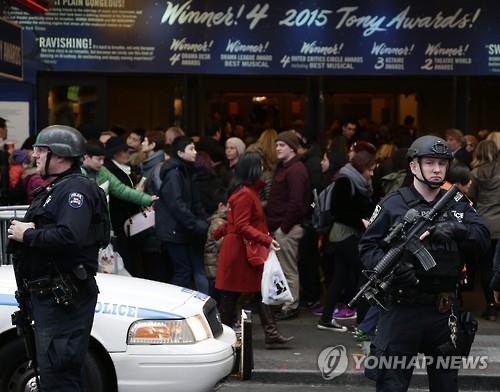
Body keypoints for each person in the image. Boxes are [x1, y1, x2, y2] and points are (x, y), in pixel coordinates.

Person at [359, 135, 490, 392]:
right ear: (413, 166)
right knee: (392, 384)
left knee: (445, 384)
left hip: (443, 310)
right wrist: (394, 271)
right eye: (429, 163)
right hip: (402, 309)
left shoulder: (458, 204)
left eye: (442, 164)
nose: (437, 169)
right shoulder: (393, 204)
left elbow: (483, 238)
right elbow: (368, 248)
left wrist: (456, 229)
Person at [7, 125, 109, 391]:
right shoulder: (57, 189)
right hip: (50, 297)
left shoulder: (76, 191)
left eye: (41, 150)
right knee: (51, 375)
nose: (34, 156)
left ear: (60, 156)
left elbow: (70, 236)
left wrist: (28, 235)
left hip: (63, 297)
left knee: (59, 378)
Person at [214, 151, 293, 348]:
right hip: (240, 252)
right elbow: (242, 225)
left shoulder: (245, 192)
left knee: (253, 291)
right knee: (236, 294)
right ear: (253, 170)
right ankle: (229, 335)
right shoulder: (246, 195)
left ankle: (267, 333)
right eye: (260, 166)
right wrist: (266, 240)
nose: (263, 170)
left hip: (241, 250)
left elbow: (236, 224)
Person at [155, 136, 209, 294]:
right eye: (191, 149)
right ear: (180, 153)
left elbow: (194, 200)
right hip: (174, 229)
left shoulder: (186, 170)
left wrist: (202, 220)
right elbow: (176, 204)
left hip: (180, 228)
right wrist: (195, 224)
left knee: (184, 270)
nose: (195, 152)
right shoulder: (175, 173)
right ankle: (172, 307)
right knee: (183, 270)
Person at [266, 130, 310, 319]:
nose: (277, 148)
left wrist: (284, 228)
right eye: (276, 145)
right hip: (280, 225)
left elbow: (296, 202)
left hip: (288, 227)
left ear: (292, 148)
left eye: (282, 145)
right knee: (282, 267)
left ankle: (291, 305)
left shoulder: (296, 169)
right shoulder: (284, 167)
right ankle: (286, 302)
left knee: (288, 268)